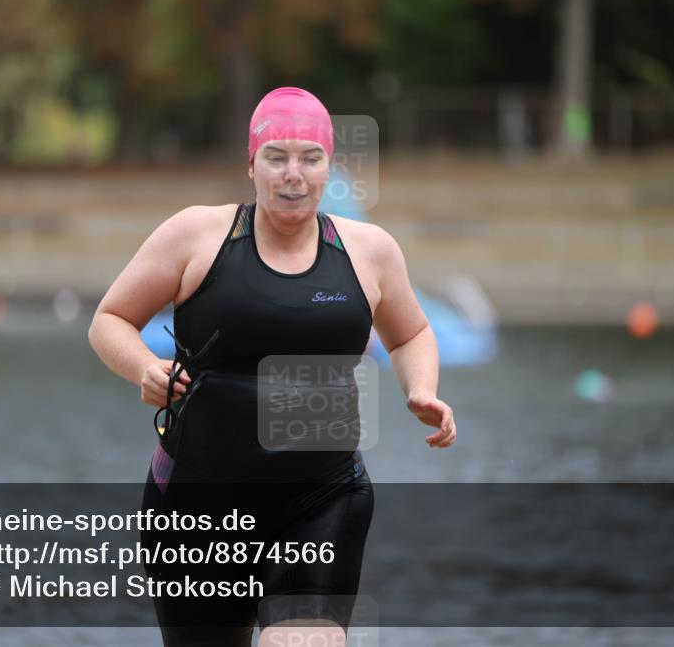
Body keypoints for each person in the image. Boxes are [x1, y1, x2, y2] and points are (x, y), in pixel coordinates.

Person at [89, 87, 456, 646]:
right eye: (277, 157)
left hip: (321, 499)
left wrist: (421, 389)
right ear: (251, 165)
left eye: (310, 158)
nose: (294, 174)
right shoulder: (196, 235)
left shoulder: (368, 251)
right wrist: (144, 367)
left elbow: (411, 334)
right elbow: (110, 319)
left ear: (329, 167)